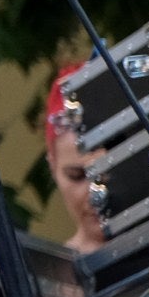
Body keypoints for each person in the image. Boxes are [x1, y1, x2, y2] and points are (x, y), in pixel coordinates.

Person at [45, 63, 108, 254]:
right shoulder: (49, 281)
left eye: (107, 173)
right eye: (77, 175)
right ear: (52, 167)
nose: (96, 192)